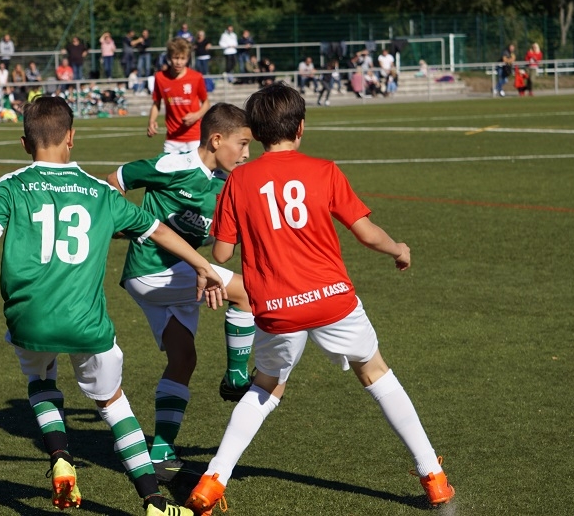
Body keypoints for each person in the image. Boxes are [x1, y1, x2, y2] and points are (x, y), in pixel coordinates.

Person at [0, 96, 224, 516]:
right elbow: (157, 230)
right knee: (113, 404)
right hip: (86, 322)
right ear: (71, 137)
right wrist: (202, 265)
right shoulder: (99, 191)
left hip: (28, 318)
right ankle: (154, 502)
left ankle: (60, 457)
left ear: (24, 143)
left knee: (41, 379)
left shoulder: (11, 185)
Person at [183, 82, 455, 515]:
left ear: (257, 131)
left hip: (275, 306)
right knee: (375, 372)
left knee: (266, 386)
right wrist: (399, 249)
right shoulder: (324, 170)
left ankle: (213, 480)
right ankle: (433, 476)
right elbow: (366, 233)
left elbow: (221, 254)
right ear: (301, 127)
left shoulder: (238, 180)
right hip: (331, 299)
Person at [108, 103, 256, 482]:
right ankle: (236, 378)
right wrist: (126, 223)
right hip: (153, 271)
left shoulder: (223, 185)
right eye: (242, 144)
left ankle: (161, 451)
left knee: (183, 358)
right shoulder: (175, 165)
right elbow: (116, 179)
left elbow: (222, 246)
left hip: (174, 275)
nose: (246, 154)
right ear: (216, 139)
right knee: (246, 293)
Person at [147, 38, 210, 154]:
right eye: (175, 58)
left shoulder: (196, 77)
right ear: (169, 57)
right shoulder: (160, 78)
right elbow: (156, 103)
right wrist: (151, 121)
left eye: (183, 58)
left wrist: (196, 115)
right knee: (165, 166)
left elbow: (206, 103)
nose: (179, 62)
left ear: (188, 58)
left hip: (194, 138)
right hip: (172, 140)